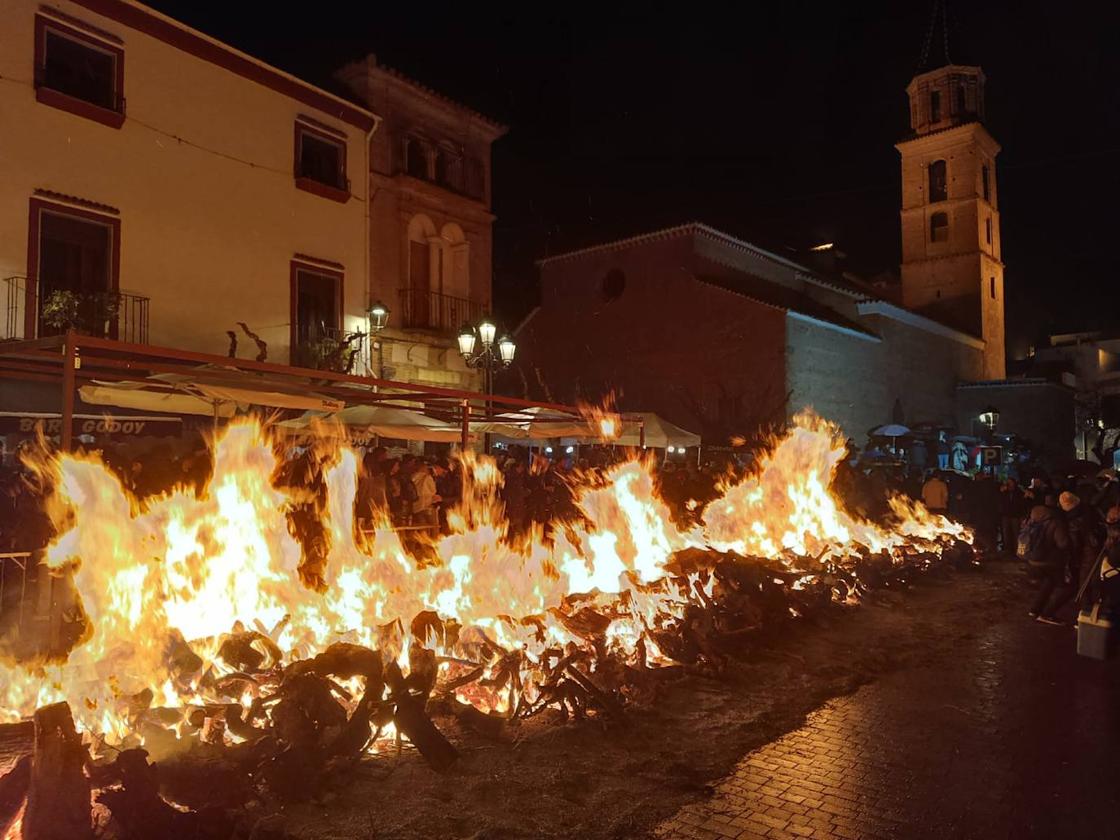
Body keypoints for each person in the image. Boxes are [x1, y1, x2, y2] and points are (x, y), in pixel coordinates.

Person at [1025, 503, 1073, 624]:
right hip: (1050, 562)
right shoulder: (1054, 523)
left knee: (1049, 582)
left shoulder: (1029, 522)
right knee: (1068, 587)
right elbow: (1063, 544)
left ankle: (1034, 610)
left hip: (1032, 561)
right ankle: (1047, 614)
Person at [1060, 491, 1103, 593]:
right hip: (1096, 543)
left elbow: (1075, 542)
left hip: (1087, 547)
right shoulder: (1090, 508)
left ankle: (1085, 600)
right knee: (1093, 572)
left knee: (1085, 575)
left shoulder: (1072, 520)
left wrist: (1075, 556)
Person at [998, 478, 1028, 557]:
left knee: (1016, 533)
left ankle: (1017, 550)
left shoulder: (1018, 492)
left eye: (1010, 483)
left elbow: (1021, 503)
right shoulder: (1004, 492)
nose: (1009, 484)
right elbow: (1000, 501)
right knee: (1006, 533)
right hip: (1006, 515)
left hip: (1015, 515)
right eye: (1008, 483)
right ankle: (1007, 550)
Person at [409, 459, 440, 533]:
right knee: (433, 527)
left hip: (416, 507)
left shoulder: (411, 477)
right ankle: (434, 542)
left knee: (422, 528)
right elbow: (433, 490)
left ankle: (423, 542)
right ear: (423, 469)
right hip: (427, 505)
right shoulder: (427, 477)